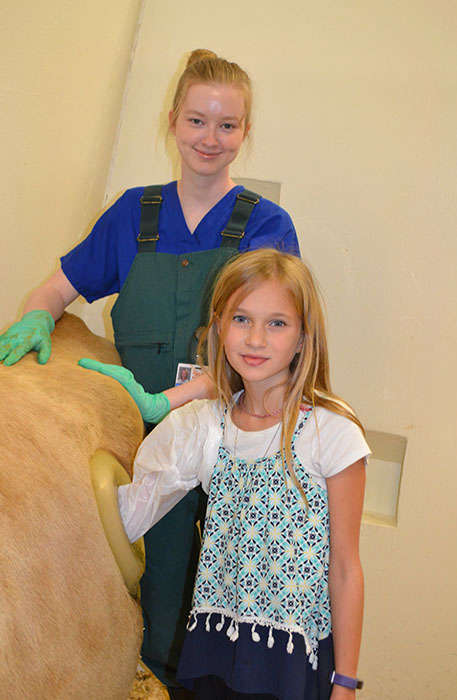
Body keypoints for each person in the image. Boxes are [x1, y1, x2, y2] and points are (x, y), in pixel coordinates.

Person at [0, 51, 300, 697]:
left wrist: (176, 399)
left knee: (236, 622)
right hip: (151, 447)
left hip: (238, 445)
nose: (208, 139)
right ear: (172, 121)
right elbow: (55, 289)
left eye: (226, 126)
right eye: (196, 120)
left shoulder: (267, 228)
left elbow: (272, 354)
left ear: (244, 131)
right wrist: (34, 319)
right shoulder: (133, 216)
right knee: (157, 610)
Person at [84, 249, 369, 699]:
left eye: (277, 323)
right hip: (217, 645)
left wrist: (346, 682)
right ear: (218, 325)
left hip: (294, 658)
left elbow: (346, 569)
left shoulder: (332, 433)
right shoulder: (202, 427)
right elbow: (126, 516)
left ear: (302, 337)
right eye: (241, 319)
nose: (256, 338)